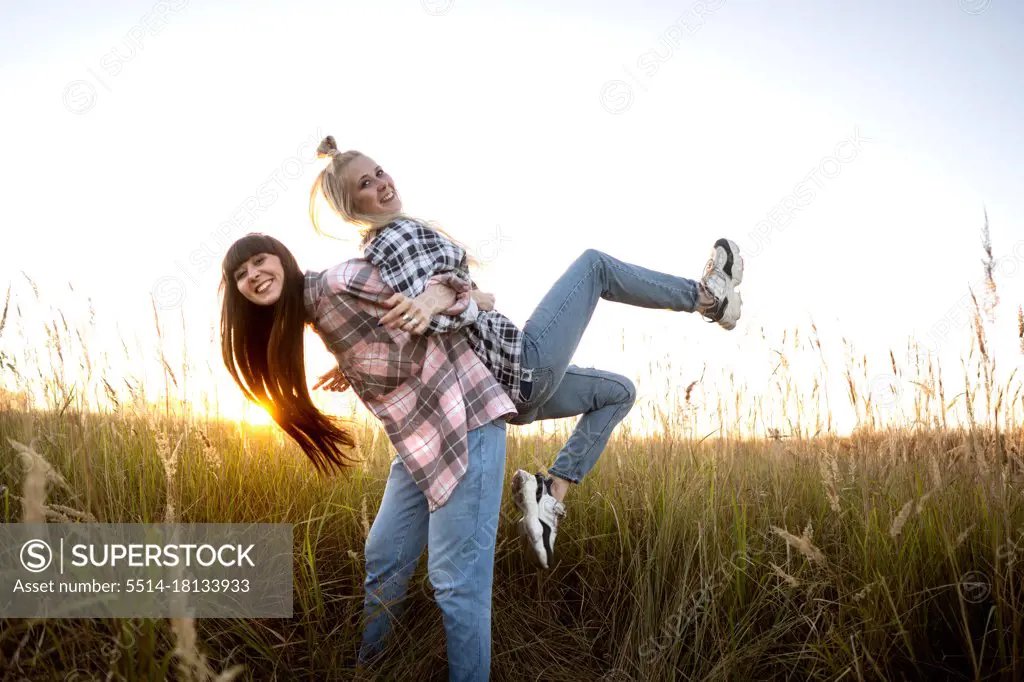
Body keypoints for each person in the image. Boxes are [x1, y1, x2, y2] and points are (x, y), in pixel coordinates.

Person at [307, 137, 745, 570]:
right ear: (351, 209)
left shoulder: (376, 252)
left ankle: (550, 496)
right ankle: (708, 298)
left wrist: (359, 357)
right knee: (596, 266)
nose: (382, 183)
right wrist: (459, 299)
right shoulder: (398, 236)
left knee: (618, 393)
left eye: (379, 171)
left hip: (507, 395)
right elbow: (428, 309)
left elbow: (407, 317)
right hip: (521, 365)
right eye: (366, 183)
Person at [220, 233, 515, 681]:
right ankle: (370, 669)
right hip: (418, 438)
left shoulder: (340, 281)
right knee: (384, 559)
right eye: (240, 275)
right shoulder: (315, 312)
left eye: (259, 261)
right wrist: (354, 362)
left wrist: (471, 296)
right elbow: (397, 325)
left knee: (457, 584)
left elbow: (425, 300)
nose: (253, 276)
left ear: (283, 258)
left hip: (464, 418)